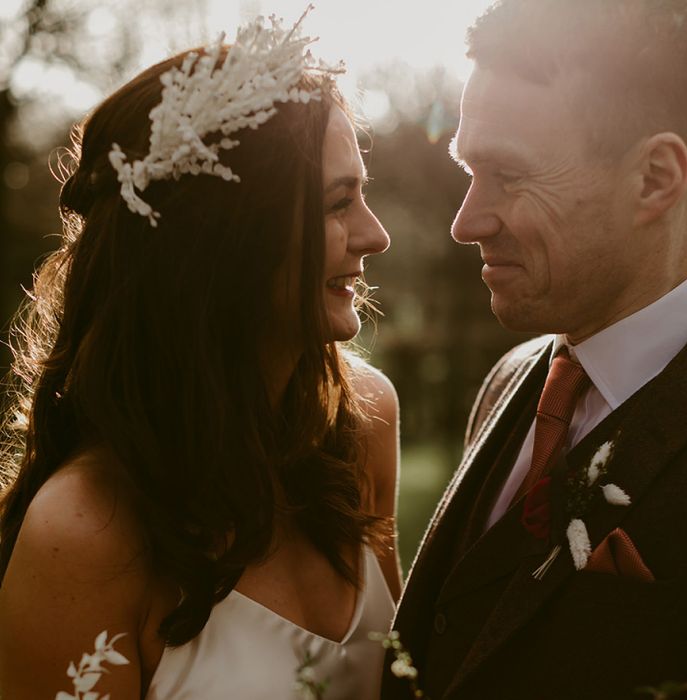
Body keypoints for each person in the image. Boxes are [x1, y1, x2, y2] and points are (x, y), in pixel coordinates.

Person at [0, 15, 400, 700]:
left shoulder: (360, 424)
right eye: (339, 203)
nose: (377, 235)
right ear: (226, 241)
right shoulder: (82, 534)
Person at [383, 1, 687, 698]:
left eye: (508, 174)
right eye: (469, 170)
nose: (466, 222)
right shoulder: (514, 380)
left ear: (655, 178)